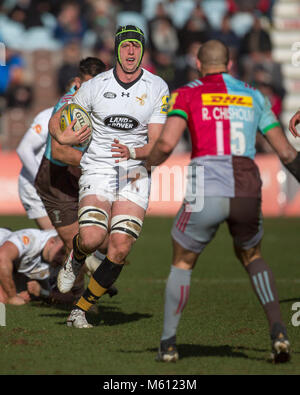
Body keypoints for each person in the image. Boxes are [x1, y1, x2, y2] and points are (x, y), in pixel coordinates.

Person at [145, 40, 299, 364]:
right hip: (247, 184)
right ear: (229, 65)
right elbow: (286, 153)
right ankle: (279, 331)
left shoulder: (186, 93)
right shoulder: (254, 95)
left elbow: (166, 143)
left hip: (206, 185)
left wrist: (143, 165)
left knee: (183, 260)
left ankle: (168, 344)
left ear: (199, 65)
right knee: (252, 255)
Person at [49, 25, 169, 328]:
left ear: (143, 50)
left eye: (136, 46)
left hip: (135, 172)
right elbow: (58, 117)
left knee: (120, 246)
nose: (131, 51)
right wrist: (62, 136)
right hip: (99, 167)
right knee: (92, 237)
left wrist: (135, 155)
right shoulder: (93, 86)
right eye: (125, 46)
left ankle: (80, 311)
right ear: (116, 50)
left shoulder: (157, 87)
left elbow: (155, 142)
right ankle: (75, 257)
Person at [0, 227, 64, 305]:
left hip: (16, 267)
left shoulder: (70, 258)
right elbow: (2, 258)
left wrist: (42, 292)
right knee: (3, 298)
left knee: (25, 296)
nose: (63, 258)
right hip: (5, 251)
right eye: (62, 252)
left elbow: (74, 297)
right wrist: (12, 296)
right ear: (51, 242)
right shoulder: (32, 239)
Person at [16, 106, 54, 230]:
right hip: (36, 186)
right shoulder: (48, 116)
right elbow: (23, 149)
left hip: (61, 185)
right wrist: (43, 180)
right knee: (57, 239)